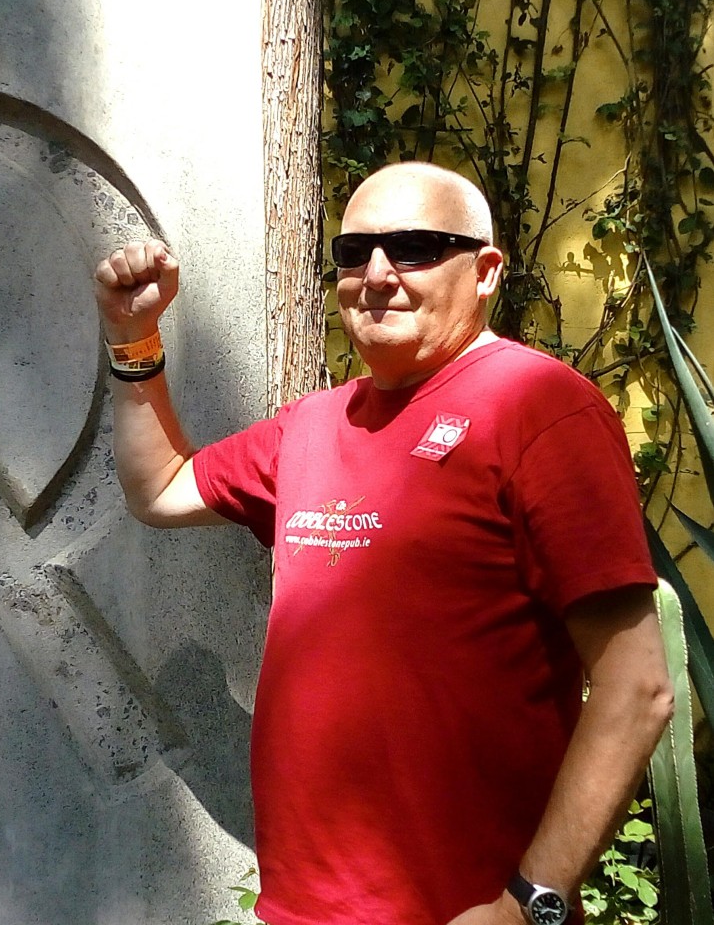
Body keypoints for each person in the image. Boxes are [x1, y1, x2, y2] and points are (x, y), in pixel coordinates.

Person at [93, 162, 673, 925]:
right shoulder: (312, 426)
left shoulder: (540, 409)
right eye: (353, 251)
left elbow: (638, 688)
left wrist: (531, 901)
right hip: (300, 910)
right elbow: (160, 489)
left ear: (487, 270)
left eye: (416, 248)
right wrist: (133, 338)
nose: (376, 275)